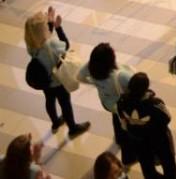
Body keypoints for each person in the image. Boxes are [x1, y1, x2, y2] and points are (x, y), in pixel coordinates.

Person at [23, 8, 90, 137]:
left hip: (45, 82)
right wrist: (58, 27)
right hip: (58, 82)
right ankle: (73, 128)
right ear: (43, 31)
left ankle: (55, 122)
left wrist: (50, 24)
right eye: (45, 27)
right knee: (65, 103)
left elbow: (42, 39)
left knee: (49, 101)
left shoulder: (31, 45)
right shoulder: (52, 44)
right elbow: (66, 45)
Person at [77, 43, 135, 164]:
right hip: (120, 106)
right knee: (126, 129)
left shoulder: (94, 72)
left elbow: (79, 76)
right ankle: (128, 157)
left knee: (115, 119)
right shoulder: (118, 75)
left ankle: (118, 138)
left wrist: (93, 81)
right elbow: (135, 81)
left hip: (107, 104)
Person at [116, 72, 176, 179]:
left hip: (137, 138)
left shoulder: (122, 101)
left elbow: (122, 117)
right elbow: (167, 117)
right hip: (158, 138)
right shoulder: (154, 104)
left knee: (146, 164)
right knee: (167, 161)